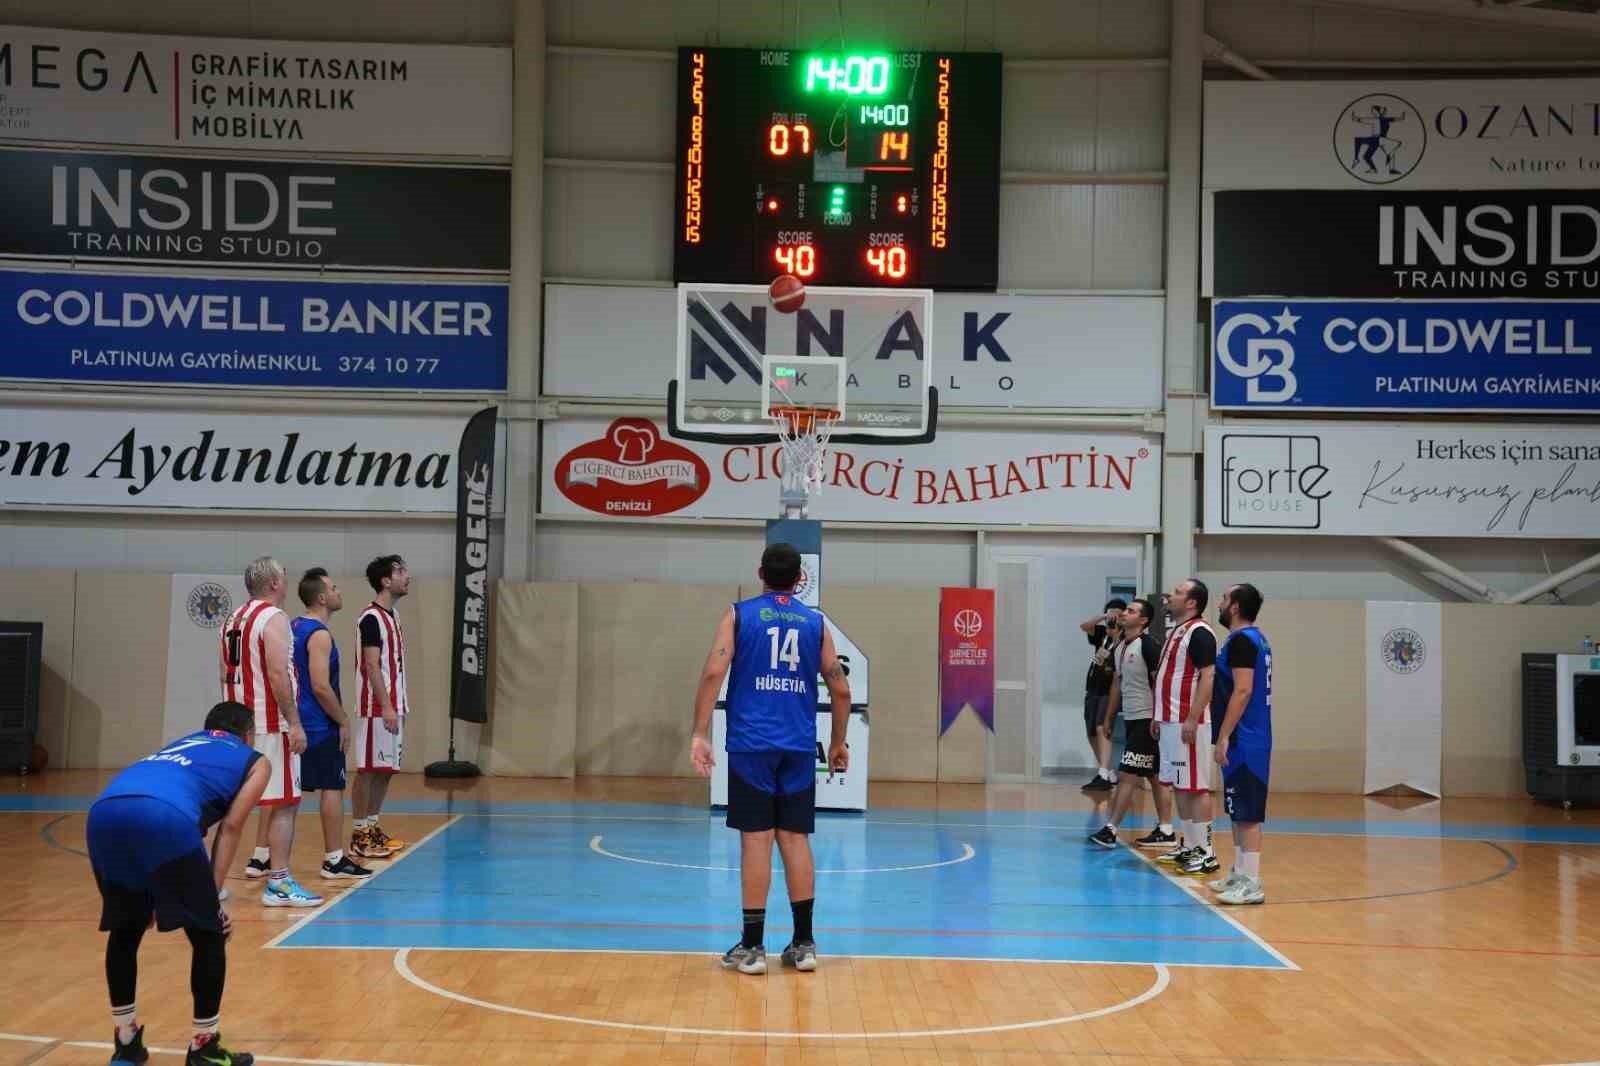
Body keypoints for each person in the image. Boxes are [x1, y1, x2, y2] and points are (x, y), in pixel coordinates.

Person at [690, 542, 851, 975]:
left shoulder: (739, 615)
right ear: (800, 579)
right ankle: (804, 944)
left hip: (751, 745)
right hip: (797, 746)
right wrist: (838, 743)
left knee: (756, 840)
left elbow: (713, 671)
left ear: (760, 573)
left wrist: (700, 733)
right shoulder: (816, 623)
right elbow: (840, 689)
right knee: (795, 840)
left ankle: (752, 947)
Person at [89, 700, 270, 1066]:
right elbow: (231, 827)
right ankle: (204, 1047)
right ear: (249, 734)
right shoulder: (255, 761)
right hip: (163, 816)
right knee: (209, 934)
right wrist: (212, 902)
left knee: (127, 928)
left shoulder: (180, 744)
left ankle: (126, 1042)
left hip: (104, 812)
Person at [221, 556, 321, 907]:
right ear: (275, 583)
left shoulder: (232, 618)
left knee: (228, 808)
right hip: (269, 724)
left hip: (235, 725)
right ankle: (279, 882)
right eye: (284, 575)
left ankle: (211, 881)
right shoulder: (274, 617)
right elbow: (279, 675)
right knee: (285, 804)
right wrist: (294, 722)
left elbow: (223, 672)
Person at [291, 568, 376, 879]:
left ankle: (262, 858)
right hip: (318, 724)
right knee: (332, 787)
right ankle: (334, 860)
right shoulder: (319, 634)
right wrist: (342, 720)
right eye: (333, 588)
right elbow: (321, 686)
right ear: (322, 598)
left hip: (296, 721)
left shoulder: (293, 626)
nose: (338, 591)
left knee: (287, 794)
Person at [1087, 598, 1177, 850]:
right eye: (1125, 610)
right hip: (1131, 718)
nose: (1124, 614)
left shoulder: (1148, 646)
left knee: (1127, 774)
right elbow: (1117, 684)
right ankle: (1166, 830)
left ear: (1143, 620)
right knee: (1155, 775)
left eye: (1131, 611)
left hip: (1148, 719)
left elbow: (1159, 682)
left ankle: (1111, 829)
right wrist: (1108, 717)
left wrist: (1158, 716)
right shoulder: (1119, 648)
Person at [1210, 583, 1273, 905]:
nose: (1219, 604)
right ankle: (1239, 872)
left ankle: (1252, 882)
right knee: (1237, 809)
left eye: (1223, 599)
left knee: (1248, 814)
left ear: (1234, 607)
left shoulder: (1243, 641)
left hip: (1246, 738)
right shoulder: (1250, 639)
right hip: (1244, 737)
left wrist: (1223, 735)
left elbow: (1244, 690)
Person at [1152, 577, 1219, 877]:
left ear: (1191, 602)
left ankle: (1206, 853)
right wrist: (1158, 716)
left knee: (1196, 787)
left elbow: (1208, 677)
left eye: (1178, 592)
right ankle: (1190, 845)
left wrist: (1193, 717)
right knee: (1180, 785)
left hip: (1187, 723)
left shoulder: (1200, 632)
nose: (1171, 594)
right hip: (1170, 721)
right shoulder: (1178, 631)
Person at [352, 555, 410, 858]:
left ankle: (372, 826)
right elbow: (372, 665)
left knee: (385, 770)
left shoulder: (393, 616)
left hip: (394, 705)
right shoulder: (371, 618)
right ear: (386, 581)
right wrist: (386, 706)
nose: (407, 576)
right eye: (400, 571)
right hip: (377, 706)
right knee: (368, 770)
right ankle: (359, 834)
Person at [1078, 598, 1127, 792]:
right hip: (1092, 688)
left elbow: (1120, 657)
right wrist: (1104, 617)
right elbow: (1085, 626)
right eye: (1111, 613)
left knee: (1102, 728)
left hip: (1110, 690)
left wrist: (1117, 633)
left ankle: (1104, 774)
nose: (1114, 618)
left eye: (1118, 614)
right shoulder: (1101, 634)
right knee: (1091, 732)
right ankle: (1107, 771)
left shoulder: (1125, 637)